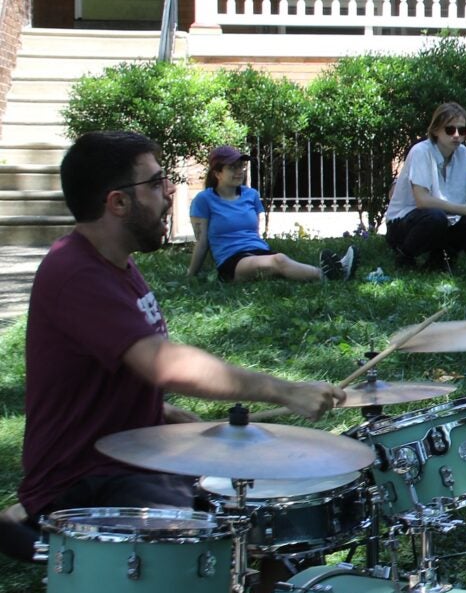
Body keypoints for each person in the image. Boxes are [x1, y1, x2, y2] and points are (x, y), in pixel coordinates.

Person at [21, 131, 344, 521]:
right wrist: (285, 391)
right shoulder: (77, 274)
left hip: (130, 454)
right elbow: (165, 364)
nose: (171, 190)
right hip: (84, 483)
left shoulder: (116, 263)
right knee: (210, 538)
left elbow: (102, 375)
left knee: (272, 503)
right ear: (118, 202)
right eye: (156, 183)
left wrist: (161, 412)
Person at [187, 145, 354, 283]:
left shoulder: (251, 195)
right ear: (217, 173)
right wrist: (190, 276)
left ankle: (335, 269)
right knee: (280, 261)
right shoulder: (204, 200)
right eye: (232, 168)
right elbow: (202, 242)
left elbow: (253, 233)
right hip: (232, 261)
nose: (239, 171)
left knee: (281, 266)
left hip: (260, 251)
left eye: (241, 166)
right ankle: (330, 276)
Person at [384, 102, 466, 270]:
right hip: (405, 224)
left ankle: (443, 256)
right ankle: (405, 257)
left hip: (446, 222)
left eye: (462, 130)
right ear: (436, 130)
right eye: (450, 129)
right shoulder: (421, 152)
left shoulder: (463, 154)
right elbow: (423, 201)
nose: (456, 135)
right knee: (435, 217)